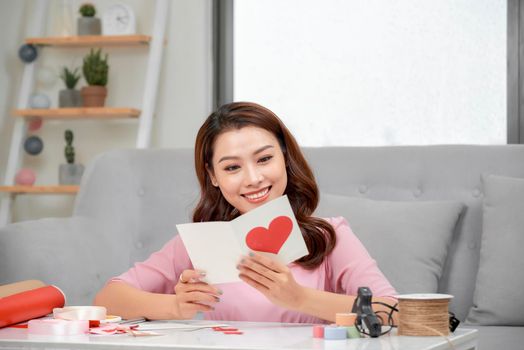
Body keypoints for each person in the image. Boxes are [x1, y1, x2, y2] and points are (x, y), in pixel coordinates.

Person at [94, 102, 397, 324]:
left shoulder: (329, 235)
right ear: (213, 176)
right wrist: (176, 306)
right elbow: (107, 299)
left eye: (264, 159)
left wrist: (300, 298)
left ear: (285, 159)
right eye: (232, 167)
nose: (253, 179)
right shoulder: (202, 244)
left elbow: (395, 312)